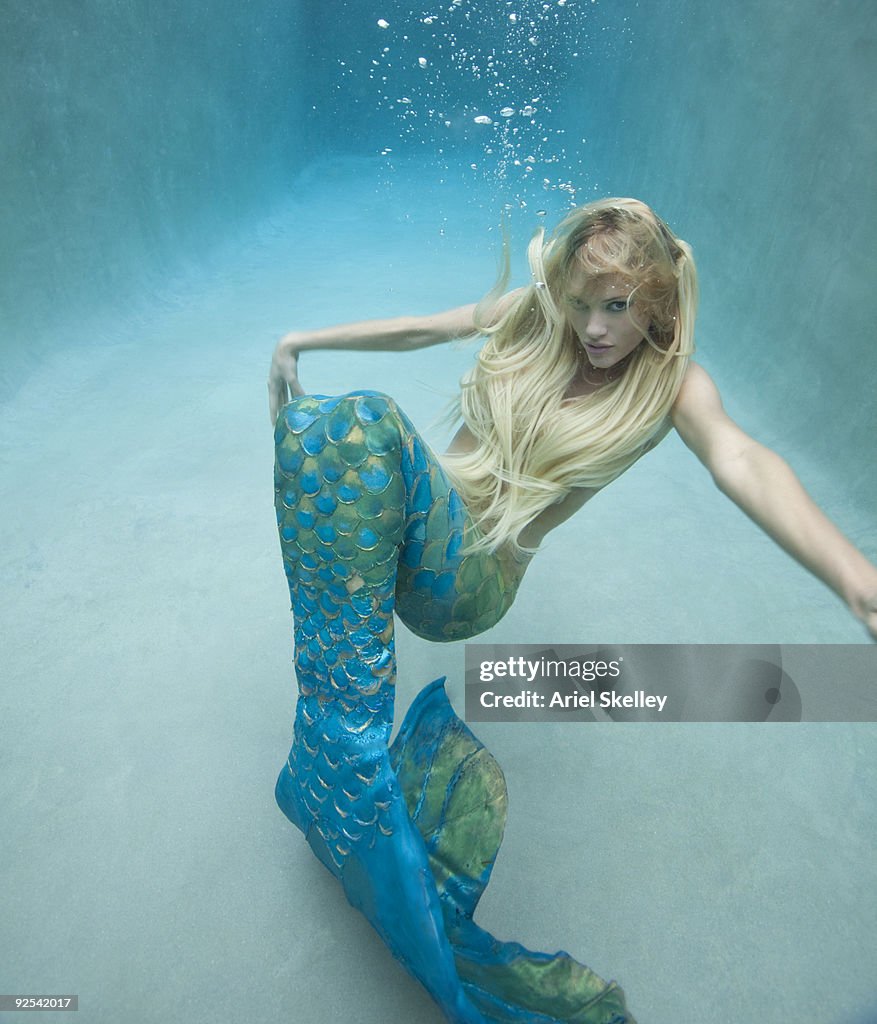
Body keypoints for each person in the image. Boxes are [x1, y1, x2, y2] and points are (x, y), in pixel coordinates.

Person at [267, 198, 877, 1024]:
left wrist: (854, 579)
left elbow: (740, 459)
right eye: (583, 303)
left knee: (362, 423)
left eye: (617, 308)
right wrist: (299, 342)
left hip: (470, 582)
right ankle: (334, 735)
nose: (592, 328)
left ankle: (348, 753)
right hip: (419, 539)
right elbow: (424, 327)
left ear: (655, 304)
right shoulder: (539, 315)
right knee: (314, 426)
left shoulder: (673, 383)